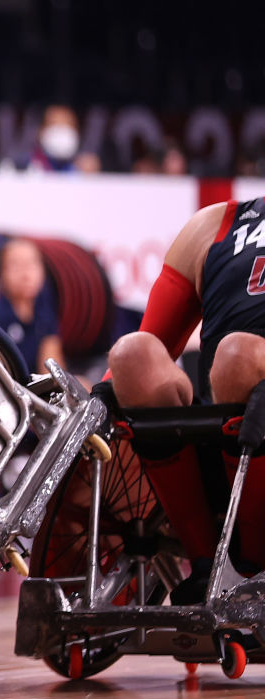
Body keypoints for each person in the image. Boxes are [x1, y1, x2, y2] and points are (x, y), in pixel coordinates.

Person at [107, 198, 265, 602]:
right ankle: (206, 564)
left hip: (245, 386)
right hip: (229, 435)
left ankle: (250, 562)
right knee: (132, 354)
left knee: (237, 355)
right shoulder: (215, 224)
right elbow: (154, 337)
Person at [0, 238, 65, 375]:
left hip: (36, 391)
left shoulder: (45, 310)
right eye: (15, 266)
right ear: (0, 274)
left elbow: (52, 371)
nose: (26, 274)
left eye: (32, 264)